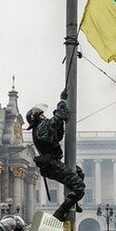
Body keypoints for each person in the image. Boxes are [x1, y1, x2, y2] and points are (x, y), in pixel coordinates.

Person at [26, 89, 85, 222]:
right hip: (52, 165)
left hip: (54, 163)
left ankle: (73, 201)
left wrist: (62, 123)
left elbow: (58, 135)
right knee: (79, 188)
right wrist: (62, 102)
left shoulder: (42, 128)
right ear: (37, 118)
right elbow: (56, 120)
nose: (44, 116)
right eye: (41, 115)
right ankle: (60, 213)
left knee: (79, 172)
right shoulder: (41, 128)